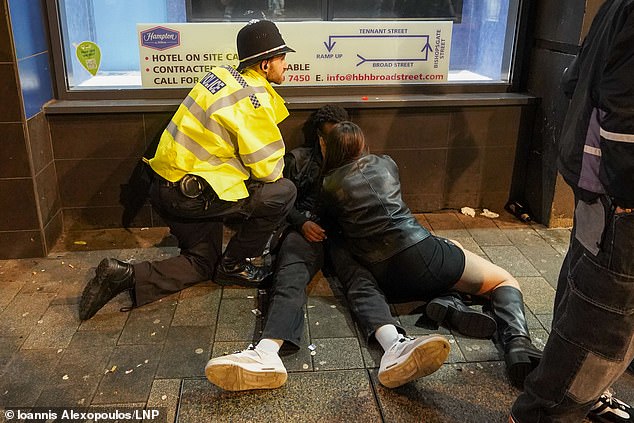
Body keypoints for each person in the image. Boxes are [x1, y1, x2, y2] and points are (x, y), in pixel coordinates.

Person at [204, 105, 452, 391]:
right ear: (320, 140)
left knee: (360, 280)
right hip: (308, 229)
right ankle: (266, 353)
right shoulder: (299, 160)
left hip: (346, 235)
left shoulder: (363, 165)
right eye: (329, 137)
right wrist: (300, 223)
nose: (336, 143)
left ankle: (394, 345)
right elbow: (281, 202)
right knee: (291, 274)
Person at [78, 19, 297, 321]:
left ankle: (124, 275)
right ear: (264, 64)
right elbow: (270, 171)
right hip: (192, 197)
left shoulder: (220, 76)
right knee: (284, 192)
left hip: (165, 186)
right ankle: (235, 264)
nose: (286, 65)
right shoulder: (251, 101)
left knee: (203, 263)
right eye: (282, 58)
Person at [318, 121, 543, 388]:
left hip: (383, 274)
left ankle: (449, 304)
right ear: (362, 144)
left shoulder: (328, 185)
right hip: (422, 252)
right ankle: (518, 342)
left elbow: (331, 226)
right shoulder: (386, 163)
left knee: (444, 264)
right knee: (501, 280)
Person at [511, 1, 634, 422]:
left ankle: (579, 389)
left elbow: (575, 78)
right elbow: (625, 111)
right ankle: (545, 410)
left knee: (587, 283)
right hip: (620, 194)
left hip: (599, 183)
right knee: (606, 319)